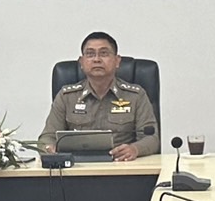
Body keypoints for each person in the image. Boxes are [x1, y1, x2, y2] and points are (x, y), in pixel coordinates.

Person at [39, 32, 160, 161]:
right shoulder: (66, 97)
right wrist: (49, 148)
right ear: (81, 62)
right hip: (76, 167)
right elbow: (47, 137)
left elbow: (151, 138)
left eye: (104, 53)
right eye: (90, 54)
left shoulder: (135, 96)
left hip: (121, 165)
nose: (97, 59)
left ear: (117, 61)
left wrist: (134, 149)